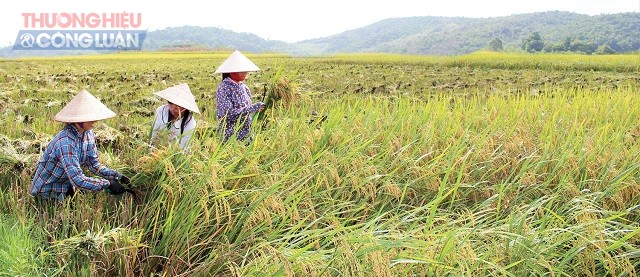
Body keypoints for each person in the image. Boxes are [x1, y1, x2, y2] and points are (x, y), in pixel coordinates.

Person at [30, 90, 131, 201]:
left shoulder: (88, 134)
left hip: (66, 186)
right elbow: (77, 180)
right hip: (47, 192)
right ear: (79, 121)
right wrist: (107, 184)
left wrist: (117, 176)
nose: (95, 121)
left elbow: (94, 164)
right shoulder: (66, 142)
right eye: (91, 118)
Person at [215, 50, 265, 144]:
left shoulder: (245, 88)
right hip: (231, 136)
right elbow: (227, 114)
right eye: (240, 70)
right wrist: (252, 108)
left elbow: (248, 112)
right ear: (231, 71)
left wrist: (258, 110)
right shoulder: (224, 88)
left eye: (245, 70)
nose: (244, 73)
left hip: (247, 134)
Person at [150, 83, 200, 150]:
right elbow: (154, 134)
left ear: (186, 107)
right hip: (158, 149)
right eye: (170, 103)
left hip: (175, 152)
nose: (173, 108)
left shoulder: (190, 124)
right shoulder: (161, 111)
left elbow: (183, 149)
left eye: (178, 105)